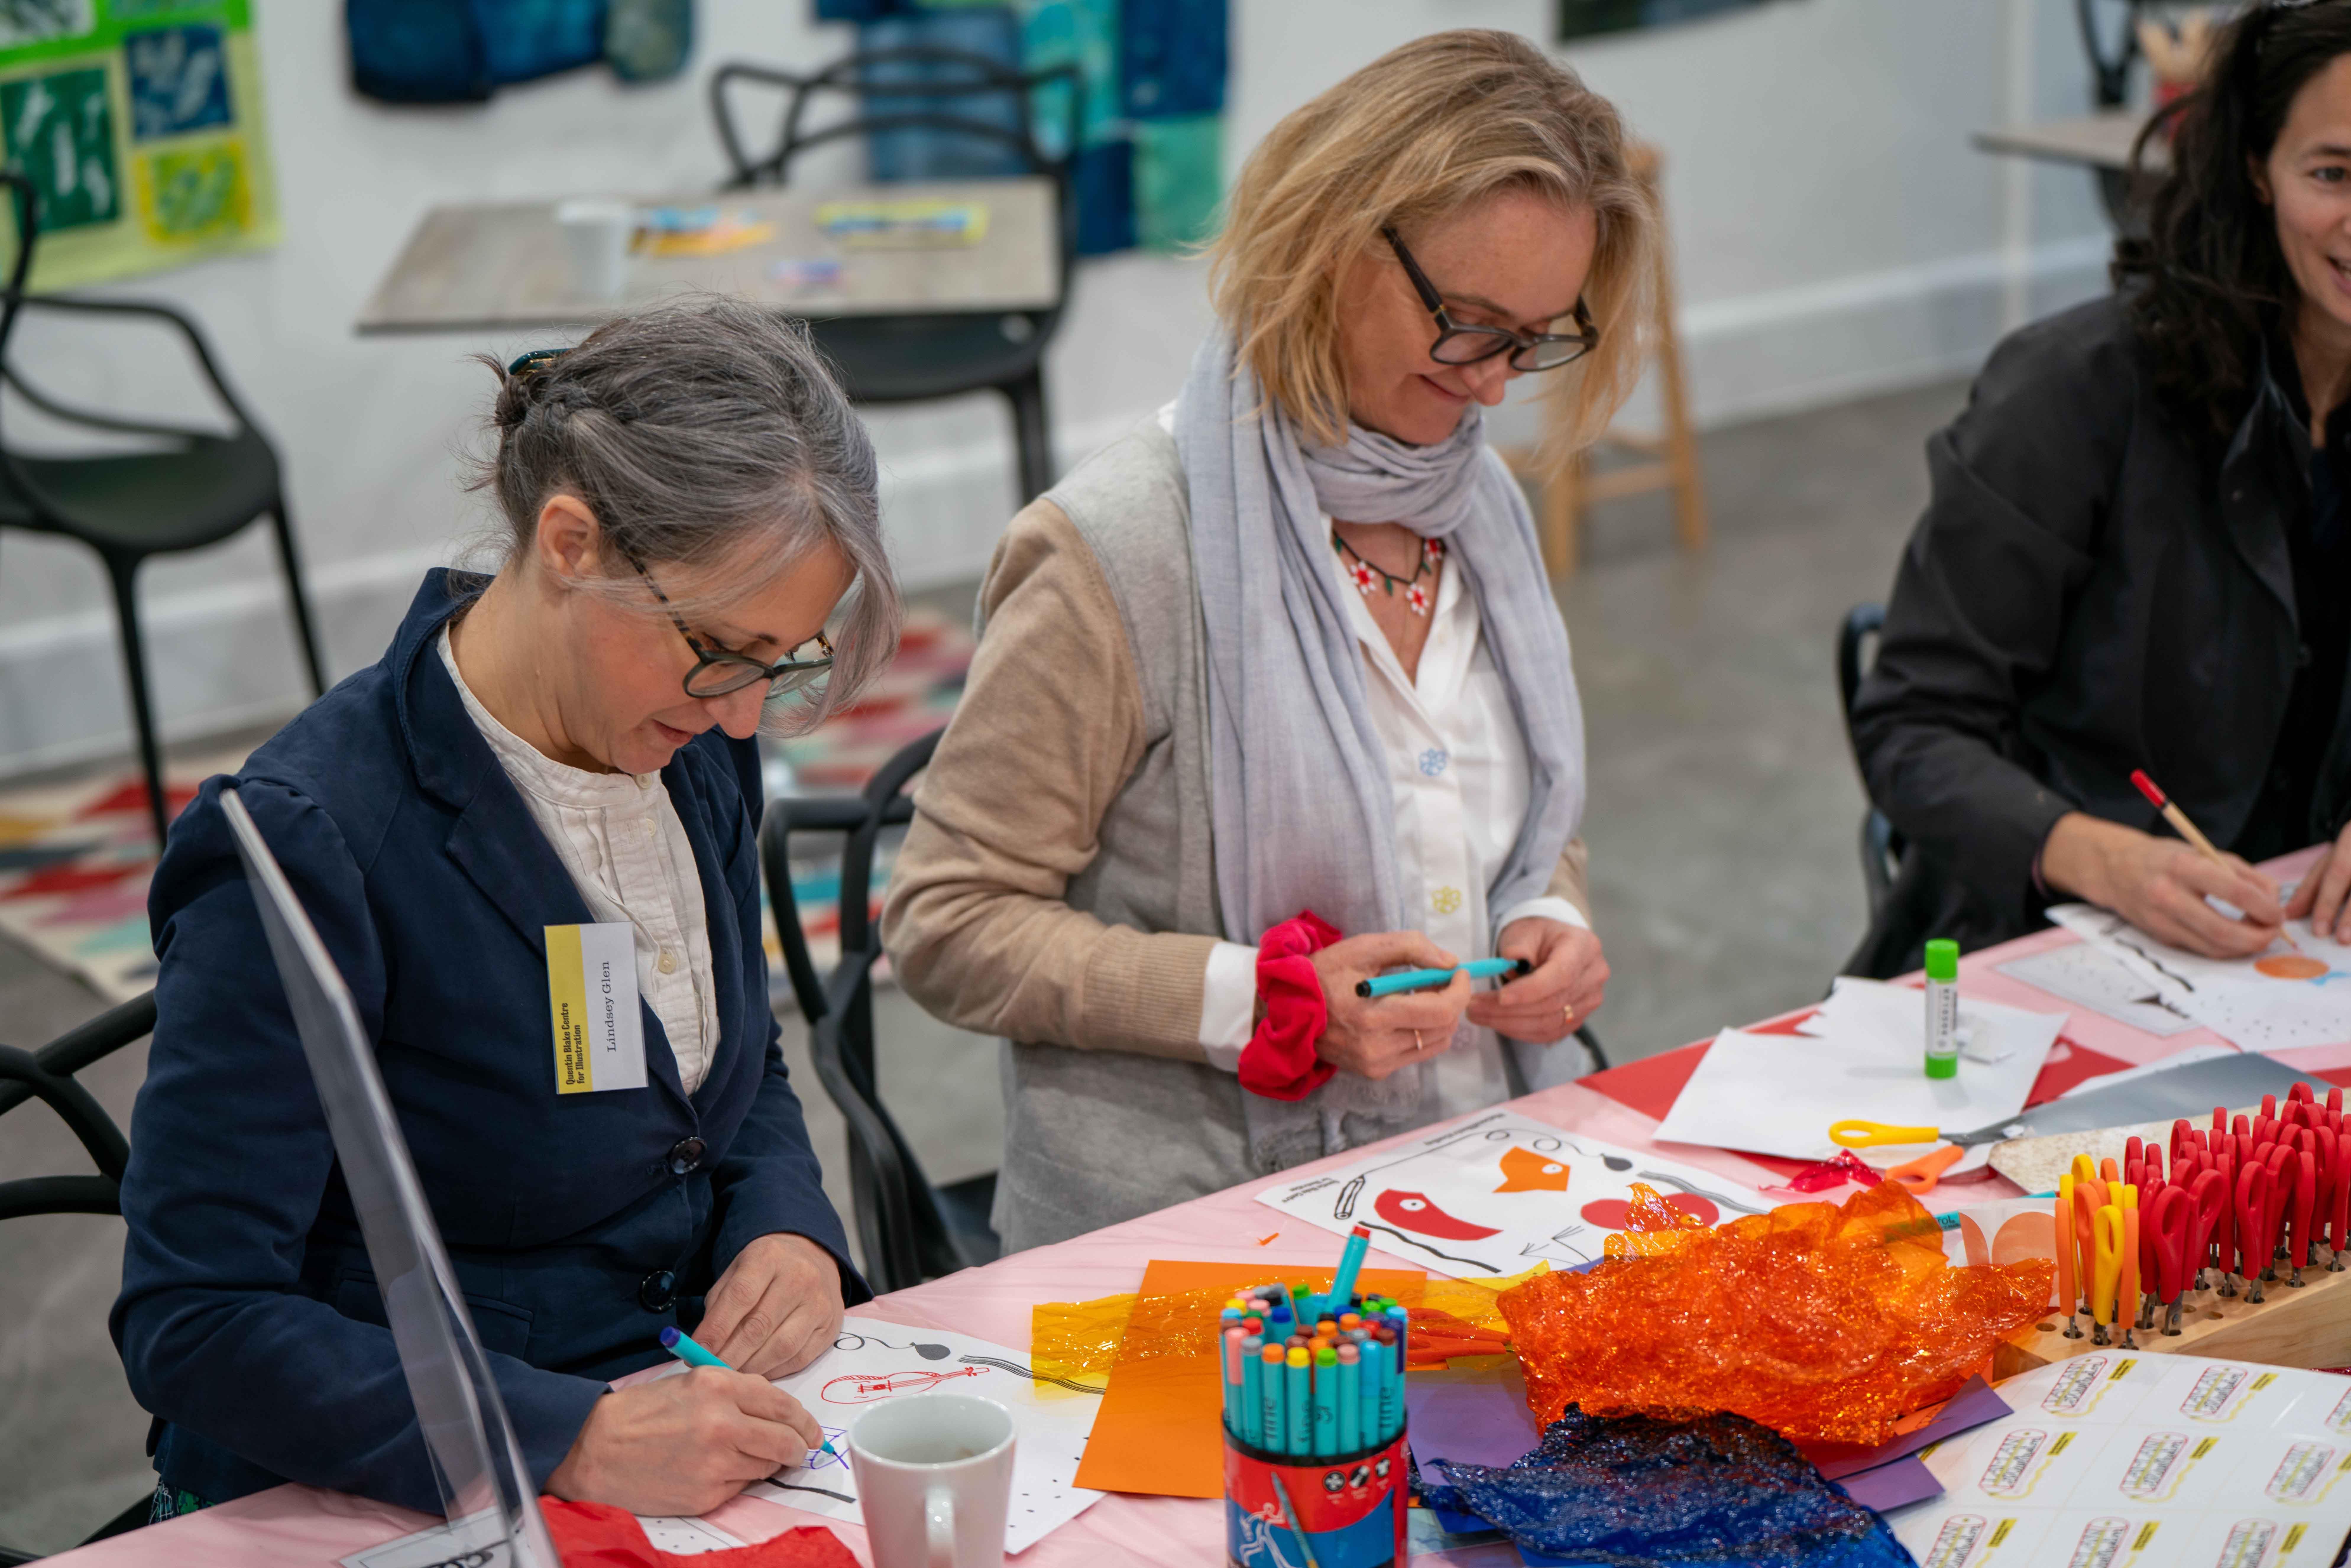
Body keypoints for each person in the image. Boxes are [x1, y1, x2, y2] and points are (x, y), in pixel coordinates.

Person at [111, 298, 901, 1520]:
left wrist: (786, 1228)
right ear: (571, 541)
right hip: (400, 1489)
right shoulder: (308, 843)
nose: (745, 717)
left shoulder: (683, 737)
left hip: (680, 1429)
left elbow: (720, 1075)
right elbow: (196, 1318)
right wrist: (559, 1436)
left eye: (780, 665)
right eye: (724, 652)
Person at [881, 31, 1653, 1251]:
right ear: (1329, 244)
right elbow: (946, 922)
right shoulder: (1120, 551)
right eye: (1465, 323)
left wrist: (1545, 922)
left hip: (1470, 1185)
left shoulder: (1477, 512)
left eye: (1533, 340)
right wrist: (1254, 1002)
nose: (1495, 386)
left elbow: (1496, 821)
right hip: (1194, 1243)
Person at [1848, 0, 2351, 979]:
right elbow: (1913, 726)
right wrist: (2099, 858)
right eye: (2334, 173)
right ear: (2257, 170)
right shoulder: (2074, 391)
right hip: (2047, 956)